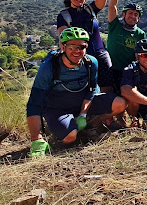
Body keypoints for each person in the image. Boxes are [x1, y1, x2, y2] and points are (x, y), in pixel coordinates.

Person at [26, 28, 126, 157]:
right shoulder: (50, 67)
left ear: (86, 47)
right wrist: (36, 138)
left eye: (81, 46)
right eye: (72, 46)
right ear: (63, 47)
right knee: (70, 137)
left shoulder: (91, 63)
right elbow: (34, 102)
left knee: (120, 103)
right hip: (57, 108)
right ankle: (66, 129)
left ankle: (89, 127)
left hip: (81, 103)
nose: (77, 51)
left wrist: (83, 115)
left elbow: (91, 91)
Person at [57, 0, 113, 92]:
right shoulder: (64, 15)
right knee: (86, 88)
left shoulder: (90, 10)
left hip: (100, 53)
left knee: (108, 87)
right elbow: (63, 38)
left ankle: (110, 112)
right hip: (80, 54)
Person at [106, 0, 146, 92]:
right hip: (111, 70)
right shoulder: (115, 26)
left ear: (138, 18)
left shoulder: (140, 34)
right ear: (124, 14)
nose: (132, 16)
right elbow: (112, 6)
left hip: (128, 72)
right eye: (130, 13)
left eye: (136, 14)